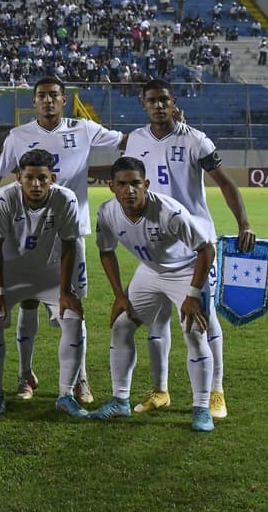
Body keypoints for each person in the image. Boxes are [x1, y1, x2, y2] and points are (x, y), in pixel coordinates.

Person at [0, 76, 126, 404]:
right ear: (34, 102)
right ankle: (25, 375)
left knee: (72, 305)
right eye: (41, 96)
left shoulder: (84, 129)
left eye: (53, 96)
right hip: (28, 233)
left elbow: (126, 142)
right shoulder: (19, 136)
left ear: (64, 100)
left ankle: (80, 378)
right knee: (27, 304)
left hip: (70, 234)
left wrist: (165, 131)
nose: (47, 101)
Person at [125, 78, 256, 418]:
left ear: (173, 103)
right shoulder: (135, 141)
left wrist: (244, 222)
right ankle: (160, 391)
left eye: (163, 100)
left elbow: (226, 185)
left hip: (196, 245)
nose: (157, 105)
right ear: (144, 104)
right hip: (156, 247)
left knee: (203, 320)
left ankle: (216, 391)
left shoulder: (195, 139)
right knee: (156, 321)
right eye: (151, 100)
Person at [86, 157, 218, 432]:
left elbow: (206, 250)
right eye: (122, 184)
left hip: (187, 270)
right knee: (122, 326)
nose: (129, 190)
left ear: (146, 184)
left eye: (135, 183)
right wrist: (119, 295)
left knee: (194, 331)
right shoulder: (107, 212)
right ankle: (120, 402)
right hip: (150, 270)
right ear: (111, 187)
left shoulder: (170, 212)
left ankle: (201, 408)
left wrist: (193, 295)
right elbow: (106, 251)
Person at [0, 149, 87, 417]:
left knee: (73, 318)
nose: (36, 184)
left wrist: (65, 291)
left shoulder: (66, 199)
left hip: (49, 273)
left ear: (52, 178)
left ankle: (65, 394)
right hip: (10, 273)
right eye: (29, 178)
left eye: (42, 178)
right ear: (19, 177)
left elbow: (68, 245)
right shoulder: (5, 198)